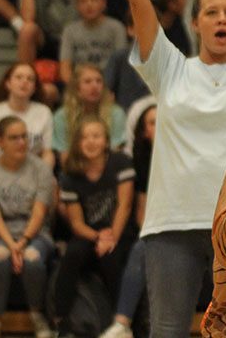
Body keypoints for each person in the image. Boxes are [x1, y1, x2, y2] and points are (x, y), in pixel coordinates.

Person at [88, 0, 226, 337]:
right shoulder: (171, 68)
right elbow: (139, 1)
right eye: (211, 13)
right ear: (194, 23)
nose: (220, 19)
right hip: (172, 223)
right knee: (167, 332)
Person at [52, 116, 135, 336]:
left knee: (112, 256)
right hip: (90, 233)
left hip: (119, 230)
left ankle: (122, 324)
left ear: (106, 141)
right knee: (72, 254)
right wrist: (98, 237)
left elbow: (125, 205)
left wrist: (111, 237)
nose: (91, 142)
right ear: (77, 143)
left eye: (96, 136)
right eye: (85, 137)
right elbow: (76, 223)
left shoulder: (120, 162)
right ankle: (61, 322)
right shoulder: (70, 173)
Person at [0, 116, 55, 338]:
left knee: (32, 259)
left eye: (24, 137)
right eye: (14, 138)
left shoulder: (41, 169)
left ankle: (38, 316)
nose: (21, 142)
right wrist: (11, 245)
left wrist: (23, 242)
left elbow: (39, 211)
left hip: (35, 232)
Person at [99, 103, 157, 338]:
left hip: (193, 223)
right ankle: (122, 324)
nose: (160, 126)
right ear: (144, 132)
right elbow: (140, 210)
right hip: (156, 227)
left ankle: (123, 322)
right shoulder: (142, 162)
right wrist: (152, 233)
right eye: (153, 123)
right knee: (139, 247)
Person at [0, 63, 55, 168]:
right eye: (19, 77)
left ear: (34, 87)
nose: (24, 82)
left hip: (33, 175)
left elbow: (47, 153)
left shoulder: (44, 112)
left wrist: (43, 175)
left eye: (30, 79)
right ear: (8, 83)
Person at [52, 64, 126, 162]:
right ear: (77, 88)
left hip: (107, 168)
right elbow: (64, 156)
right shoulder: (62, 116)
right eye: (87, 82)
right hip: (74, 168)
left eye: (99, 81)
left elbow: (116, 151)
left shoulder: (116, 113)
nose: (95, 86)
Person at [59, 0, 127, 83]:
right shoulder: (69, 31)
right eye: (83, 1)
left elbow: (122, 65)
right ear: (76, 5)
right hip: (80, 84)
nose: (89, 5)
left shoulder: (116, 28)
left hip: (110, 83)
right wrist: (76, 88)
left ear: (103, 2)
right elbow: (65, 69)